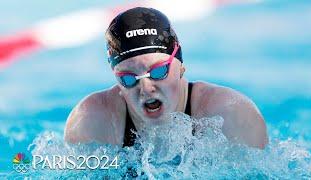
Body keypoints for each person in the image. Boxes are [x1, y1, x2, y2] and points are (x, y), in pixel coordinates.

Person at [64, 7, 268, 149]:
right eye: (128, 78)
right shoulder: (92, 122)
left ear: (181, 66)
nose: (145, 87)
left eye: (158, 72)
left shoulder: (231, 114)